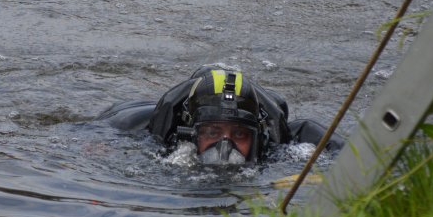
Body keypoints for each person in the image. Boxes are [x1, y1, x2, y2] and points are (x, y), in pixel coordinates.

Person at [96, 66, 344, 165]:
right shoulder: (150, 127)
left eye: (239, 134)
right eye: (213, 132)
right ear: (190, 135)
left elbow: (357, 156)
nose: (225, 146)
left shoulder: (279, 141)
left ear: (257, 139)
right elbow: (92, 132)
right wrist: (101, 146)